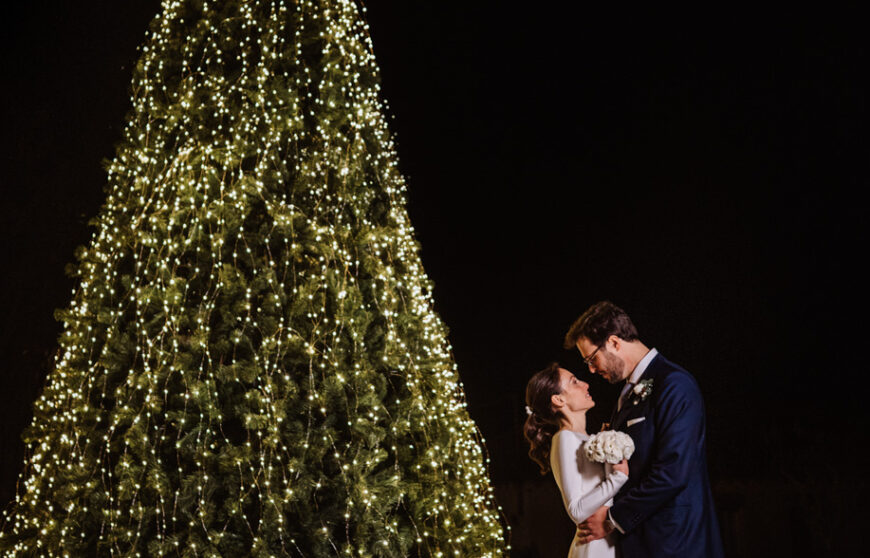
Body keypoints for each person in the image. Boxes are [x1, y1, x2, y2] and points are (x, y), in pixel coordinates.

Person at [564, 301, 724, 558]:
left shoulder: (674, 384)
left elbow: (674, 469)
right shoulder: (626, 395)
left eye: (592, 359)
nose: (592, 370)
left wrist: (611, 518)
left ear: (614, 342)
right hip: (642, 542)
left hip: (675, 542)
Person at [524, 363, 629, 558]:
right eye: (574, 382)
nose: (585, 384)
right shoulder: (564, 438)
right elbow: (577, 511)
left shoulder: (587, 439)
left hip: (609, 542)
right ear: (558, 399)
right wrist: (618, 478)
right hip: (594, 548)